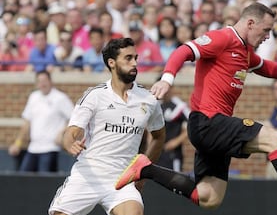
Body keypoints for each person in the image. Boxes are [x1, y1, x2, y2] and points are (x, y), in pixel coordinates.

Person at [115, 3, 277, 215]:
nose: (267, 37)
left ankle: (145, 168)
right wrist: (167, 79)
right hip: (207, 121)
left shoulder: (245, 52)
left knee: (209, 197)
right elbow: (184, 51)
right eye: (266, 30)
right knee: (273, 138)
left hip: (213, 129)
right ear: (250, 23)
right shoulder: (222, 38)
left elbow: (269, 68)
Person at [48, 38, 166, 215]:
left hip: (122, 179)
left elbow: (159, 136)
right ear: (112, 63)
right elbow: (71, 132)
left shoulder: (148, 100)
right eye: (128, 58)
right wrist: (70, 144)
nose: (134, 63)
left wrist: (143, 170)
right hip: (88, 174)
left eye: (136, 58)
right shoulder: (94, 96)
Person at [8, 71, 73, 172]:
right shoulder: (33, 97)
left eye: (44, 81)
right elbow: (26, 122)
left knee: (43, 182)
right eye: (39, 81)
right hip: (33, 148)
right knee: (22, 179)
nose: (42, 84)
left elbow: (74, 118)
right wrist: (17, 143)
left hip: (51, 148)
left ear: (50, 81)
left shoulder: (60, 98)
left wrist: (62, 132)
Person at [155, 76, 190, 172]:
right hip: (158, 153)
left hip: (173, 154)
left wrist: (176, 141)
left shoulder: (179, 106)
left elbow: (193, 124)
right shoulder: (156, 105)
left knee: (174, 182)